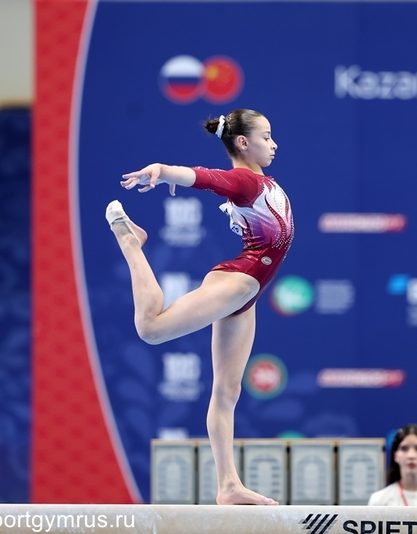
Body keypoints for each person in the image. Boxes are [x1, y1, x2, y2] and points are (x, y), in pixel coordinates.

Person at [106, 109, 293, 505]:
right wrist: (163, 171)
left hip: (247, 292)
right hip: (240, 280)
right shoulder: (246, 181)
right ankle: (131, 243)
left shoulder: (262, 182)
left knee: (227, 390)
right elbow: (205, 178)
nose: (274, 144)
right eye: (266, 136)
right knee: (151, 328)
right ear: (243, 142)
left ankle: (228, 486)